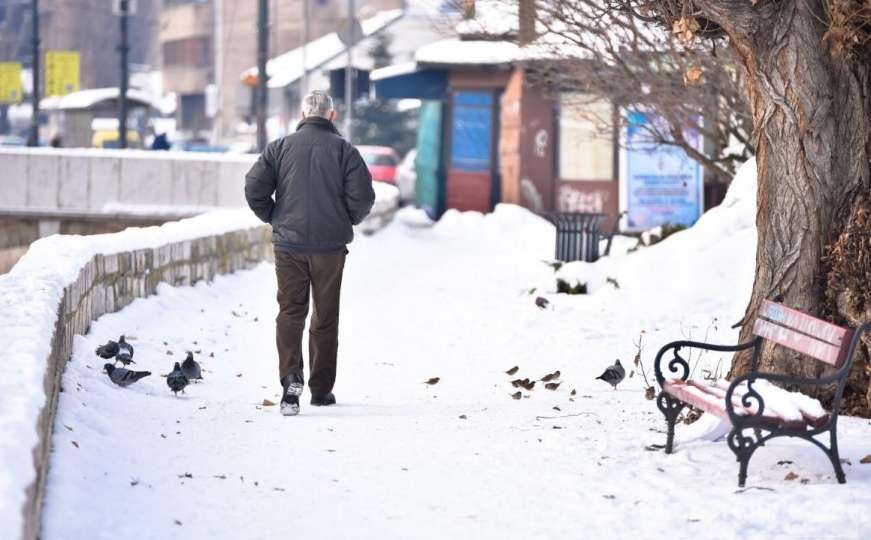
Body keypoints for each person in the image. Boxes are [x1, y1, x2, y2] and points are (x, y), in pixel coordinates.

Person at [244, 90, 375, 416]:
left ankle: (290, 381)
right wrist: (345, 220)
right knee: (325, 317)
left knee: (291, 312)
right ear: (332, 116)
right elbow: (363, 197)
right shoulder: (345, 151)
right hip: (330, 248)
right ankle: (320, 389)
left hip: (289, 247)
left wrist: (274, 217)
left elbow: (253, 187)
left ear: (302, 115)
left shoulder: (280, 148)